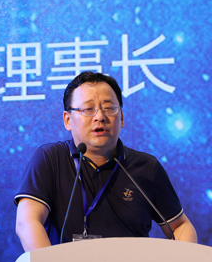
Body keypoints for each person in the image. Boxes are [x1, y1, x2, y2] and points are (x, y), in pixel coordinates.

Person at [14, 71, 197, 252]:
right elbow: (27, 222)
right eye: (88, 109)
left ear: (122, 117)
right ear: (67, 120)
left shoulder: (147, 167)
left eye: (109, 108)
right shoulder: (50, 159)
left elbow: (181, 227)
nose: (100, 116)